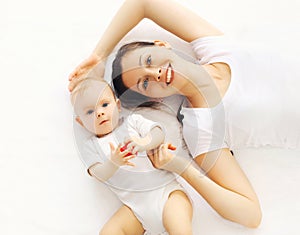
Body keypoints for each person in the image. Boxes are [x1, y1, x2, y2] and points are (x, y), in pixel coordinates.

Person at [67, 0, 300, 228]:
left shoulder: (215, 48)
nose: (155, 72)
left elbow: (143, 4)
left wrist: (100, 56)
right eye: (145, 83)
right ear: (155, 99)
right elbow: (250, 214)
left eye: (148, 60)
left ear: (161, 45)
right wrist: (181, 167)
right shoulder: (202, 128)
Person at [71, 77, 193, 235]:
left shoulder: (132, 122)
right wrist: (113, 163)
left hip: (167, 193)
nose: (100, 113)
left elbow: (158, 132)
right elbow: (98, 173)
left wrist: (145, 143)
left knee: (179, 226)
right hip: (135, 209)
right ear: (81, 122)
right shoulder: (91, 146)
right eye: (90, 111)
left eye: (105, 105)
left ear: (118, 105)